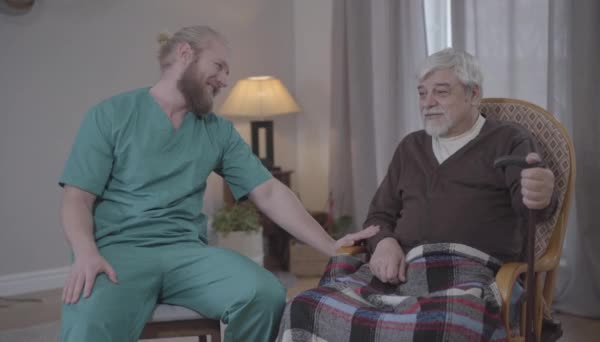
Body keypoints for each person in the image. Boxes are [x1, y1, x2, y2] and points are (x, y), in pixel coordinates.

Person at [58, 25, 378, 342]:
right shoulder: (111, 115)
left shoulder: (217, 131)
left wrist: (332, 247)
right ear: (186, 54)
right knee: (89, 319)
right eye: (219, 66)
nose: (225, 80)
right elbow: (77, 198)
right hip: (120, 253)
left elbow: (268, 191)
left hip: (188, 254)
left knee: (264, 293)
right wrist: (85, 253)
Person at [277, 48, 557, 342]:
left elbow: (532, 208)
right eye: (422, 93)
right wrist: (384, 242)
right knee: (303, 306)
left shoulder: (509, 139)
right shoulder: (411, 147)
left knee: (445, 327)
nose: (428, 103)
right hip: (400, 274)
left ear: (474, 94)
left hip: (471, 276)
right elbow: (379, 215)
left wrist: (541, 193)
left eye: (441, 92)